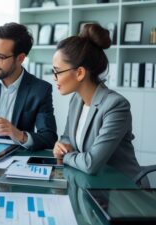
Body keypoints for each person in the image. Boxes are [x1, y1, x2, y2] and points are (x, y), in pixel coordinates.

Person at [52, 24, 143, 182]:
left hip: (121, 191)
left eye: (57, 71)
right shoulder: (76, 100)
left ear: (80, 73)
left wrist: (66, 156)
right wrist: (61, 146)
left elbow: (90, 163)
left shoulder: (116, 106)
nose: (54, 77)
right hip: (90, 184)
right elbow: (67, 138)